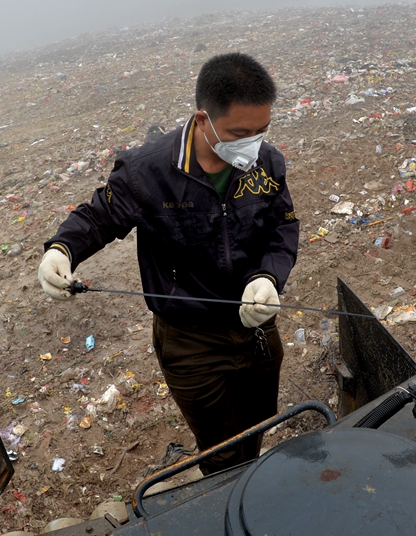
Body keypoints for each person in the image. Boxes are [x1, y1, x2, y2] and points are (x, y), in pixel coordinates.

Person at [38, 53, 298, 474]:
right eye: (239, 132)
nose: (252, 142)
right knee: (223, 451)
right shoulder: (149, 171)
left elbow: (283, 226)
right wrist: (61, 250)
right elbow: (99, 215)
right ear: (203, 119)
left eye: (261, 131)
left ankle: (252, 480)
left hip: (256, 327)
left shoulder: (264, 164)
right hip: (192, 340)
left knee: (259, 424)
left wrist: (270, 275)